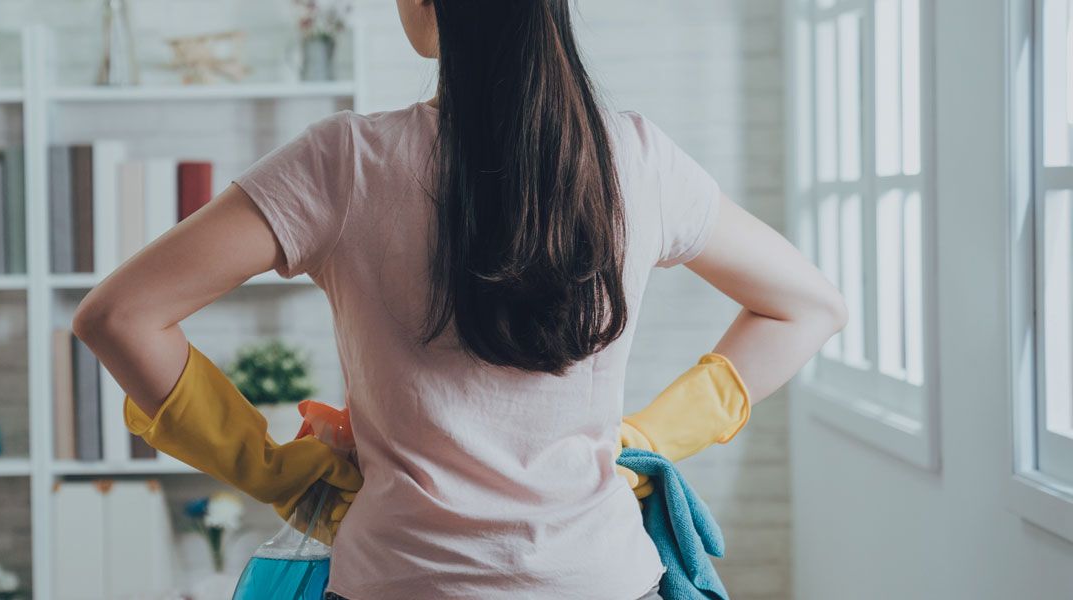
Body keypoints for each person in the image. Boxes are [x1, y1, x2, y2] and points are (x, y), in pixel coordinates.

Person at [72, 1, 846, 598]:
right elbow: (808, 306)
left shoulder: (345, 162)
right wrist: (646, 436)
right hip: (603, 579)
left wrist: (277, 470)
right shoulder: (637, 158)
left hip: (399, 579)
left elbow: (119, 316)